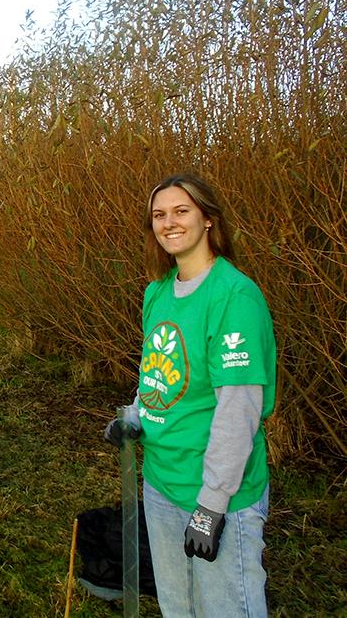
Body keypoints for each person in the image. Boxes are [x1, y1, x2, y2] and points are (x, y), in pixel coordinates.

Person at [104, 173, 276, 616]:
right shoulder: (157, 293)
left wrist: (212, 505)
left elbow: (239, 410)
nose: (169, 223)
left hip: (218, 495)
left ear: (208, 219)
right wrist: (136, 416)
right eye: (159, 215)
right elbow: (156, 375)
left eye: (181, 211)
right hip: (162, 482)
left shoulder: (234, 297)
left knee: (227, 609)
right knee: (178, 607)